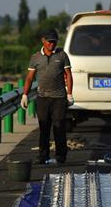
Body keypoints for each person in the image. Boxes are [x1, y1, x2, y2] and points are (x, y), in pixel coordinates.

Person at [21, 28, 73, 164]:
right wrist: (25, 95)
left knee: (59, 125)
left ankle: (61, 155)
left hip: (59, 97)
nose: (52, 44)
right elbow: (29, 78)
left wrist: (69, 94)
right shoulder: (36, 57)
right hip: (42, 97)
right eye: (49, 42)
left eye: (54, 42)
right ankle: (43, 155)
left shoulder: (62, 55)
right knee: (44, 127)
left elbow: (68, 75)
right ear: (43, 41)